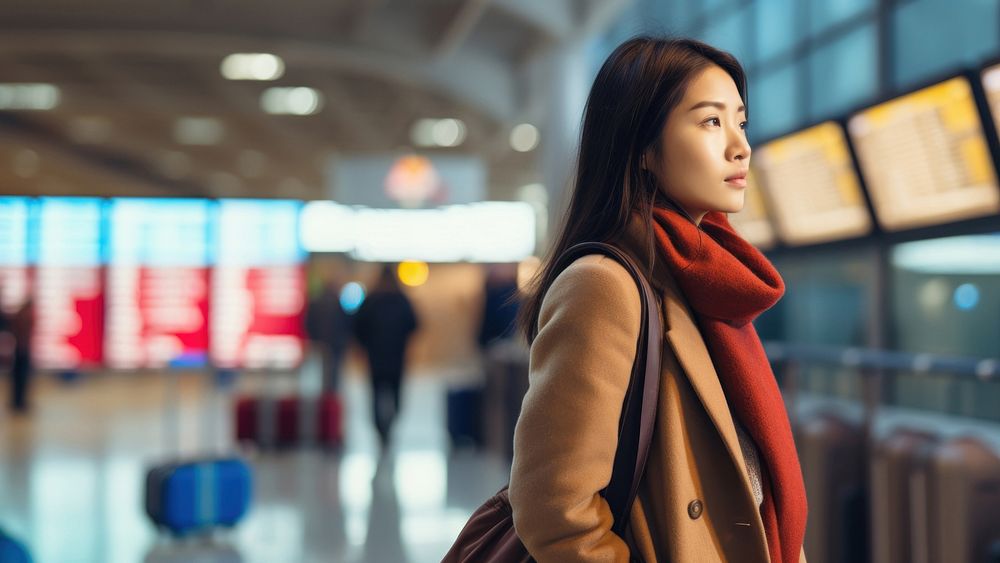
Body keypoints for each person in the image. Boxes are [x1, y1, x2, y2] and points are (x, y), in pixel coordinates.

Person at [507, 36, 808, 563]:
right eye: (711, 121)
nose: (740, 146)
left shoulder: (704, 284)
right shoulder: (604, 285)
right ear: (642, 147)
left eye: (741, 121)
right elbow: (555, 511)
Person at [353, 264, 419, 450]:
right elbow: (414, 325)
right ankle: (390, 425)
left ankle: (381, 429)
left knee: (375, 394)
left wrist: (364, 346)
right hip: (396, 357)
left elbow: (358, 328)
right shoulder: (402, 300)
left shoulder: (371, 300)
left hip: (376, 358)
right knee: (396, 393)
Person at [305, 277, 352, 392]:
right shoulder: (339, 303)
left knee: (323, 368)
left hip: (322, 341)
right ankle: (332, 391)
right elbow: (347, 323)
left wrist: (314, 337)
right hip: (336, 342)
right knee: (334, 368)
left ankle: (326, 392)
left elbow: (309, 322)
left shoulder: (317, 302)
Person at [9, 297, 33, 413]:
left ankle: (17, 402)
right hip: (23, 350)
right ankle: (19, 403)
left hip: (19, 349)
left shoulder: (20, 314)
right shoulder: (26, 315)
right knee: (22, 378)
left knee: (18, 378)